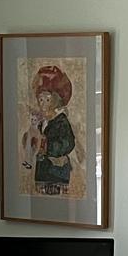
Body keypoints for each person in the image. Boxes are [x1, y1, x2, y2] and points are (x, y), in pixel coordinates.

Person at [29, 63, 76, 195]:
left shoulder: (61, 121)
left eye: (47, 99)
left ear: (55, 100)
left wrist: (48, 146)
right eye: (41, 99)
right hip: (42, 170)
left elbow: (69, 143)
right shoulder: (40, 120)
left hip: (57, 171)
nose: (43, 103)